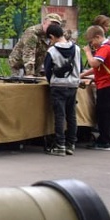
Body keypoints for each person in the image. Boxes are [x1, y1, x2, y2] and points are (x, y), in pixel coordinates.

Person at [42, 22, 80, 156]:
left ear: (52, 36)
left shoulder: (52, 51)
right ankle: (71, 144)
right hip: (73, 85)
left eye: (50, 39)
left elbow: (47, 70)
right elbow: (79, 67)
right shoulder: (77, 49)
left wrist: (51, 81)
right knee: (71, 115)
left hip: (58, 86)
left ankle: (60, 145)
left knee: (59, 116)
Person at [83, 24, 110, 151]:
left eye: (91, 41)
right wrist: (83, 75)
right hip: (109, 84)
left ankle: (104, 141)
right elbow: (99, 67)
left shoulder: (104, 48)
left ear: (98, 37)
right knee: (108, 113)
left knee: (103, 113)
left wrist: (88, 53)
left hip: (106, 85)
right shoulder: (108, 46)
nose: (91, 44)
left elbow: (94, 63)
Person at [9, 12, 62, 78]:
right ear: (44, 22)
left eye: (55, 26)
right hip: (19, 64)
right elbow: (28, 53)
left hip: (37, 65)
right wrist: (29, 74)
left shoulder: (52, 36)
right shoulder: (32, 33)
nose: (52, 28)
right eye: (50, 25)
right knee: (19, 82)